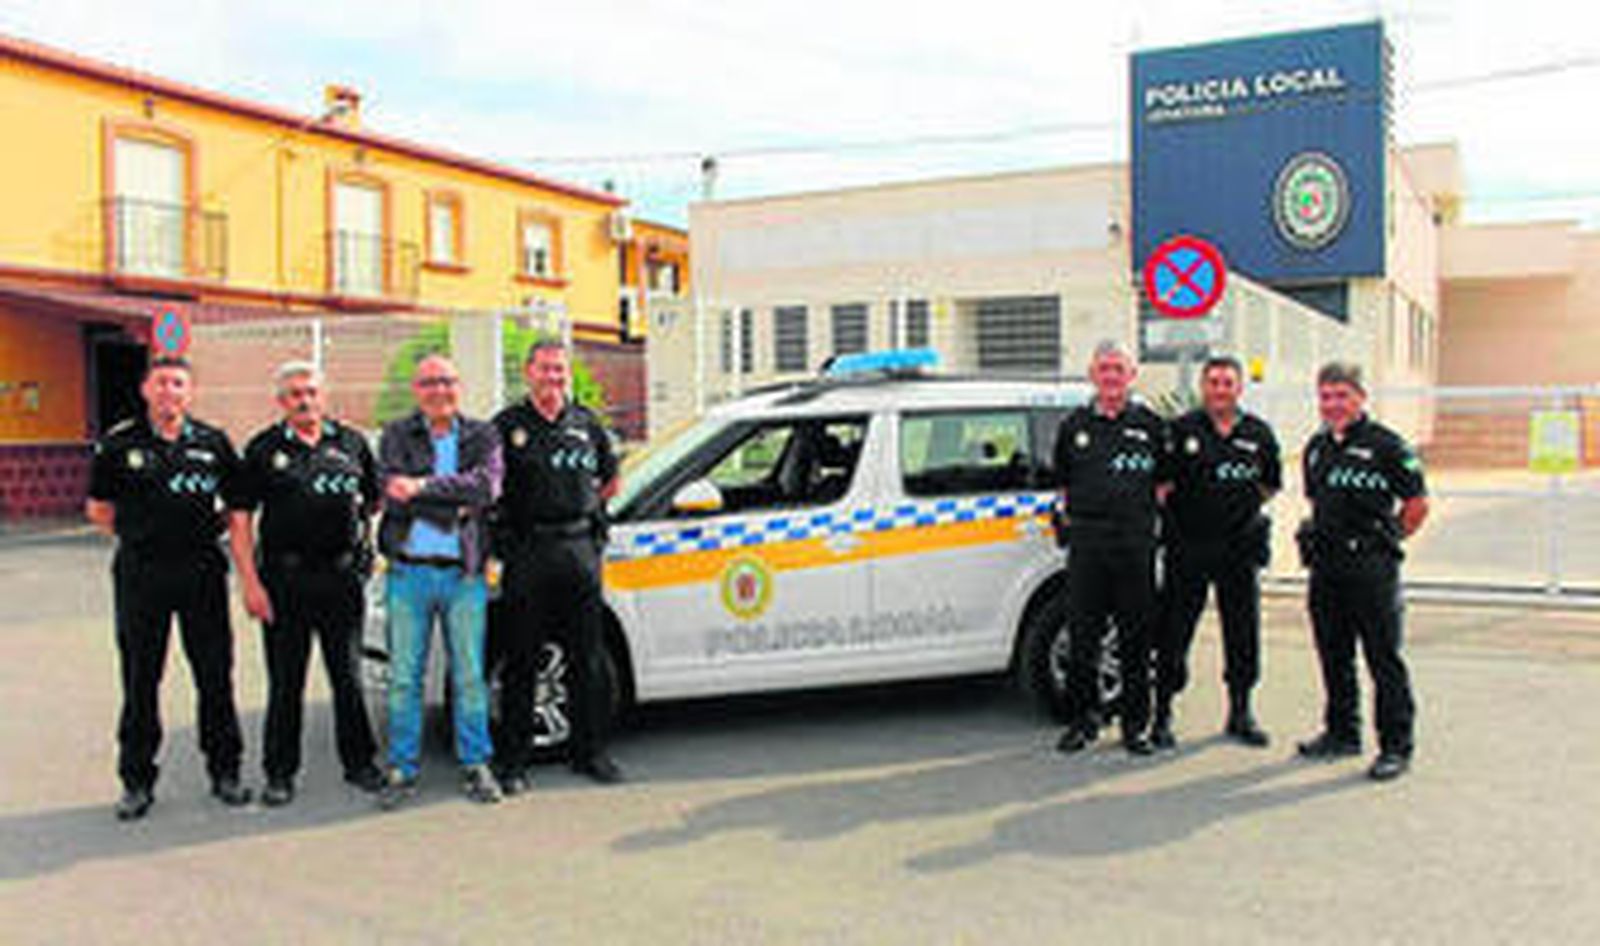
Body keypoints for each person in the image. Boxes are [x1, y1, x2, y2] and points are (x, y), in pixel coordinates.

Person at [85, 356, 250, 820]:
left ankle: (225, 771)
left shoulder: (214, 443)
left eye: (178, 384)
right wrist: (145, 535)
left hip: (201, 572)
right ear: (145, 390)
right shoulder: (119, 444)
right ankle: (136, 781)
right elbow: (99, 511)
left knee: (215, 676)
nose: (169, 392)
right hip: (142, 574)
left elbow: (237, 507)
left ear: (190, 392)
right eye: (161, 383)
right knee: (141, 679)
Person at [226, 361, 384, 806]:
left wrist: (361, 555)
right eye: (294, 393)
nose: (304, 400)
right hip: (284, 581)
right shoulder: (262, 449)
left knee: (348, 678)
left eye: (311, 391)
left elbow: (372, 503)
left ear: (324, 395)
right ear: (281, 401)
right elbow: (240, 520)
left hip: (340, 579)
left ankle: (360, 764)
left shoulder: (352, 443)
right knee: (286, 682)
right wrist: (250, 584)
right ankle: (280, 773)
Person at [491, 340, 624, 789]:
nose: (554, 377)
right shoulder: (507, 426)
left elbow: (611, 480)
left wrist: (585, 512)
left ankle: (591, 754)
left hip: (579, 549)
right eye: (545, 369)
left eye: (560, 370)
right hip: (528, 552)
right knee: (522, 658)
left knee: (585, 657)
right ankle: (513, 762)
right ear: (528, 372)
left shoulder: (587, 423)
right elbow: (489, 490)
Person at [375, 354, 504, 807]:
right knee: (404, 678)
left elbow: (487, 488)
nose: (438, 390)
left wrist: (423, 489)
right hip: (409, 572)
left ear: (459, 386)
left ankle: (475, 763)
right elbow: (391, 492)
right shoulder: (395, 435)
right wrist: (457, 501)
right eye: (429, 383)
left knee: (469, 676)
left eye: (446, 381)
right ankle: (401, 769)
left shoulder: (482, 434)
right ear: (416, 390)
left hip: (463, 576)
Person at [1296, 362, 1429, 782]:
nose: (1333, 404)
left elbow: (1416, 504)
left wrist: (1386, 543)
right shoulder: (1316, 448)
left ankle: (1396, 746)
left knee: (1383, 657)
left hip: (1371, 568)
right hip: (1327, 566)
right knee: (1333, 653)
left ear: (1360, 398)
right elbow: (1317, 502)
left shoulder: (1387, 446)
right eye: (1326, 396)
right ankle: (1341, 732)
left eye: (1342, 396)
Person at [1153, 355, 1281, 750]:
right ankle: (1162, 714)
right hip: (1188, 548)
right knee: (1174, 631)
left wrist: (1237, 512)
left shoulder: (1259, 434)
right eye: (1213, 382)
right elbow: (1161, 487)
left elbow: (1269, 484)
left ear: (1239, 388)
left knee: (1242, 633)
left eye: (1227, 382)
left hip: (1238, 551)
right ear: (1203, 387)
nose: (1220, 389)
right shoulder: (1180, 430)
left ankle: (1240, 712)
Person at [1053, 340, 1172, 757]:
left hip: (1134, 546)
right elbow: (1063, 485)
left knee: (1136, 640)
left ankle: (1134, 727)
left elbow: (1164, 486)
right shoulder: (1073, 426)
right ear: (1092, 374)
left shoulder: (1152, 426)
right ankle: (1082, 722)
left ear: (1132, 375)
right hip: (1088, 545)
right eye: (1104, 369)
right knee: (1084, 639)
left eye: (1118, 369)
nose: (1111, 377)